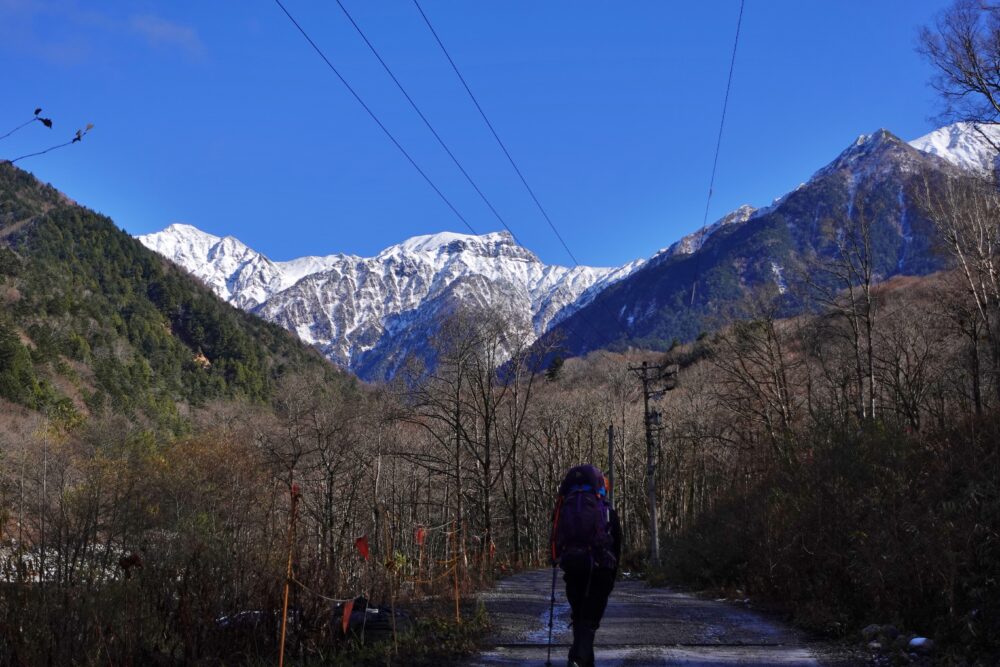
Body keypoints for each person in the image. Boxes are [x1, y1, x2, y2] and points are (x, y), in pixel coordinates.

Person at [550, 464, 622, 667]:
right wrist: (611, 576)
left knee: (580, 614)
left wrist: (557, 559)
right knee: (589, 619)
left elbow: (556, 537)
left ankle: (582, 660)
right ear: (601, 488)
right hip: (600, 568)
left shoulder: (565, 508)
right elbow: (617, 546)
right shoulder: (607, 512)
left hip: (572, 565)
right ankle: (578, 659)